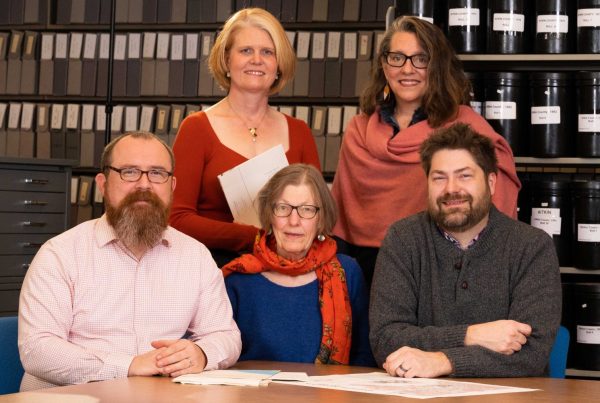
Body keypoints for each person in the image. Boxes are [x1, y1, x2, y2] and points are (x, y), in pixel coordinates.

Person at [18, 132, 241, 391]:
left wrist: (201, 354)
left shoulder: (195, 256)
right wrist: (129, 365)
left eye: (157, 173)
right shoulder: (60, 255)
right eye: (129, 172)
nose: (144, 185)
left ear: (172, 186)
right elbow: (38, 349)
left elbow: (226, 335)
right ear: (102, 184)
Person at [331, 16, 521, 286]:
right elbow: (340, 221)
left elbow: (496, 200)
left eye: (420, 59)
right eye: (397, 57)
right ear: (384, 65)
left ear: (436, 67)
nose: (407, 69)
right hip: (365, 273)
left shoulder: (465, 127)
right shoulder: (358, 130)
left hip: (440, 270)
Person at [369, 123, 561, 378]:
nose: (451, 189)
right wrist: (472, 335)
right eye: (439, 177)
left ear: (491, 183)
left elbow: (532, 354)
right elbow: (385, 339)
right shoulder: (403, 239)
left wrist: (442, 361)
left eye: (465, 176)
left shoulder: (532, 247)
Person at [170, 8, 320, 266]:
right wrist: (251, 236)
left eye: (267, 52)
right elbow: (177, 218)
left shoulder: (300, 132)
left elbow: (319, 213)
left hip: (286, 269)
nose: (257, 60)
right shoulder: (196, 128)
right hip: (212, 269)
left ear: (278, 65)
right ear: (227, 60)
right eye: (246, 50)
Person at [222, 164, 374, 366]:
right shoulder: (238, 279)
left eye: (307, 210)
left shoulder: (348, 272)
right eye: (283, 208)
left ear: (320, 218)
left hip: (328, 396)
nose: (294, 221)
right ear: (269, 214)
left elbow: (364, 358)